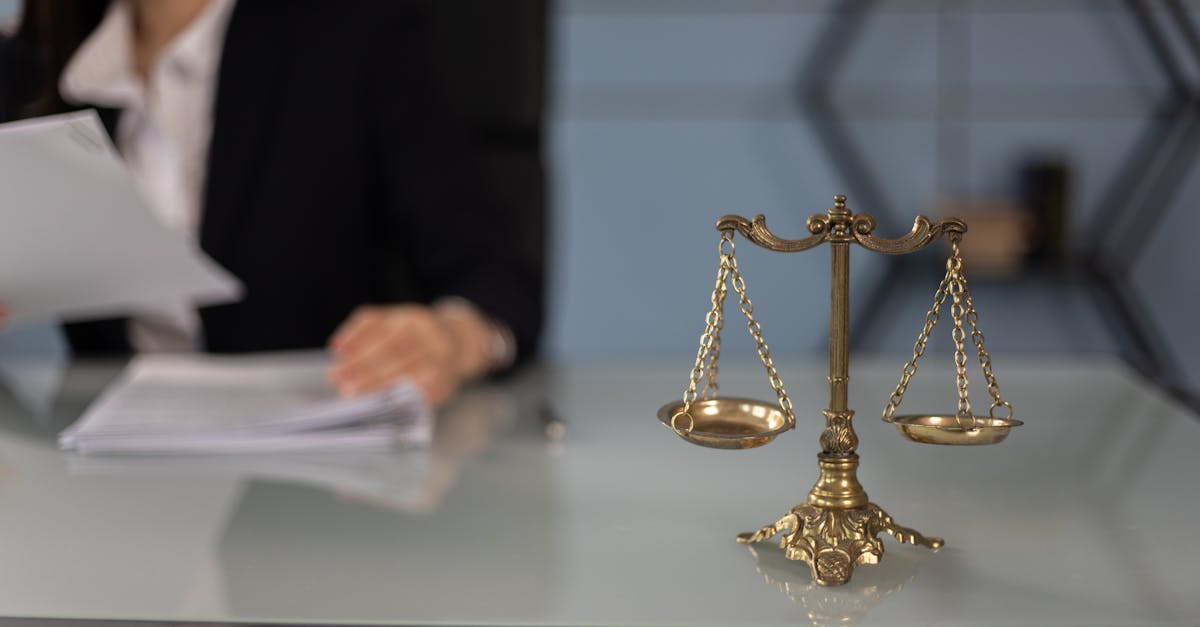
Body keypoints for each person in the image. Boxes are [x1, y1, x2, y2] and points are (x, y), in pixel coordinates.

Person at [0, 0, 543, 407]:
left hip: (314, 467)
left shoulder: (352, 32)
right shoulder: (35, 61)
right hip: (104, 470)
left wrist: (452, 338)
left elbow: (496, 278)